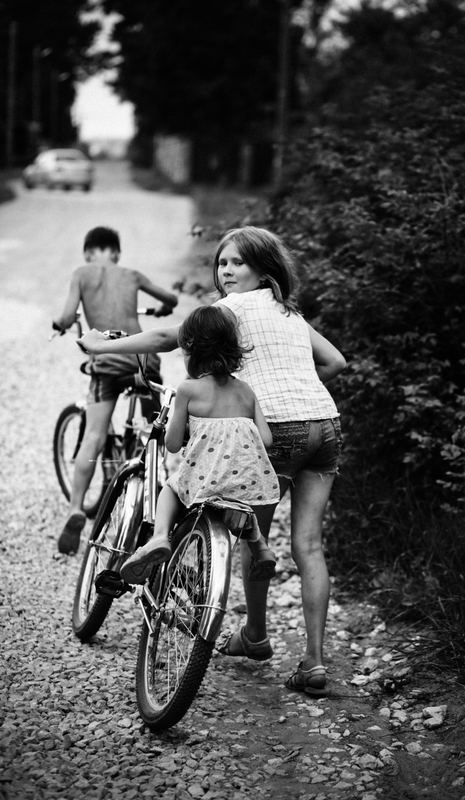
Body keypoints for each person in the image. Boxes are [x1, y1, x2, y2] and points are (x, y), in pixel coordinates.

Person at [79, 225, 346, 696]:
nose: (226, 271)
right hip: (324, 425)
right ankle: (314, 662)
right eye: (222, 262)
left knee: (250, 533)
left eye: (238, 262)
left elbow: (168, 336)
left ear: (264, 270)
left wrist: (101, 346)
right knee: (309, 546)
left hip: (277, 431)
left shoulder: (230, 309)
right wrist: (297, 382)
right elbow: (336, 362)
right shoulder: (289, 313)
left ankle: (256, 635)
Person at [119, 304, 279, 586]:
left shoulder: (188, 389)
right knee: (239, 504)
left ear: (192, 351)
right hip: (246, 483)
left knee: (171, 487)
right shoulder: (246, 391)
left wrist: (194, 432)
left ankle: (159, 537)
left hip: (205, 483)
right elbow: (266, 440)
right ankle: (260, 547)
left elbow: (171, 444)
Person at [53, 226, 178, 556]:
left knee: (94, 435)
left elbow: (66, 316)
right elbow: (171, 299)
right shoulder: (131, 274)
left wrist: (60, 324)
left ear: (88, 252)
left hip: (107, 361)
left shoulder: (82, 274)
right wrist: (162, 310)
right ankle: (153, 493)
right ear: (117, 253)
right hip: (142, 359)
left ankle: (76, 508)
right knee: (153, 433)